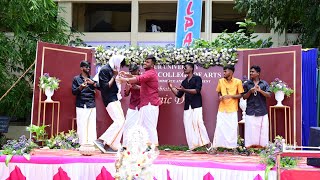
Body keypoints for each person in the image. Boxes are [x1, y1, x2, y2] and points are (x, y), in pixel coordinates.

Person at [168, 63, 211, 152]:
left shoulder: (197, 78)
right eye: (183, 67)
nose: (183, 69)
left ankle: (208, 145)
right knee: (188, 125)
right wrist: (171, 87)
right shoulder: (184, 82)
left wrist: (183, 90)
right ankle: (192, 147)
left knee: (198, 123)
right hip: (187, 106)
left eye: (185, 67)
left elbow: (196, 91)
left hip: (197, 105)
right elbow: (179, 95)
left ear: (191, 68)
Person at [119, 55, 161, 146]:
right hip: (144, 104)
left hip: (149, 103)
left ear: (153, 64)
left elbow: (139, 78)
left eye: (148, 62)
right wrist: (127, 76)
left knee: (149, 127)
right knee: (143, 127)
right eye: (145, 61)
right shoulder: (148, 73)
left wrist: (124, 79)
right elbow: (138, 77)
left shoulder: (150, 73)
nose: (145, 63)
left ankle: (153, 148)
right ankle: (141, 147)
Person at [93, 55, 126, 153]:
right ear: (116, 61)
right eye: (120, 64)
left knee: (121, 121)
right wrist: (114, 76)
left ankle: (113, 145)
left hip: (113, 98)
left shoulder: (111, 69)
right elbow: (105, 87)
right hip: (110, 99)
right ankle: (102, 141)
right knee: (120, 121)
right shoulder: (105, 70)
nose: (120, 66)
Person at [213, 65, 244, 153]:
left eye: (225, 71)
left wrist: (231, 96)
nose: (224, 73)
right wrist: (220, 97)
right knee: (219, 127)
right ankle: (215, 147)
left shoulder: (238, 82)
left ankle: (233, 148)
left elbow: (241, 95)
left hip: (232, 108)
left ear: (231, 72)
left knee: (233, 128)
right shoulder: (220, 81)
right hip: (222, 108)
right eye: (223, 71)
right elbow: (218, 92)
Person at [242, 65, 271, 148]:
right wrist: (250, 92)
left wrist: (260, 90)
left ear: (258, 73)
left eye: (253, 72)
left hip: (261, 111)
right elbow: (244, 97)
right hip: (250, 110)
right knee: (250, 130)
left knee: (262, 131)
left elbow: (269, 95)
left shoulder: (264, 83)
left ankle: (262, 147)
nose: (251, 73)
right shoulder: (247, 84)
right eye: (250, 71)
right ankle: (249, 147)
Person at [71, 61, 99, 145]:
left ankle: (91, 143)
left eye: (89, 67)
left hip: (91, 104)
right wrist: (80, 87)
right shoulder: (76, 79)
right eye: (86, 67)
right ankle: (82, 143)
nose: (88, 68)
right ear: (81, 68)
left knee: (91, 125)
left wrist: (93, 83)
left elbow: (100, 87)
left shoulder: (92, 79)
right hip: (81, 105)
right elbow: (73, 92)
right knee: (81, 124)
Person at [122, 63, 141, 147]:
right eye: (131, 72)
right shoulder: (129, 79)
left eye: (134, 72)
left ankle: (140, 146)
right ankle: (126, 146)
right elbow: (126, 94)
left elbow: (148, 90)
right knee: (128, 125)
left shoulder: (143, 78)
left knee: (140, 127)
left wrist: (138, 87)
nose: (132, 74)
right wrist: (128, 89)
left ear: (138, 71)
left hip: (142, 106)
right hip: (132, 105)